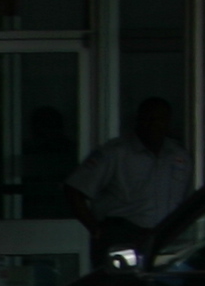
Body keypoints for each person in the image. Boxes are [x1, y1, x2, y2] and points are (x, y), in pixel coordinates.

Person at [67, 97, 194, 264]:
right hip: (123, 237)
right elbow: (74, 190)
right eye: (148, 118)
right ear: (139, 120)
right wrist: (96, 230)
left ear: (168, 122)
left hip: (165, 240)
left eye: (159, 119)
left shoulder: (179, 156)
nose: (153, 124)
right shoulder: (116, 153)